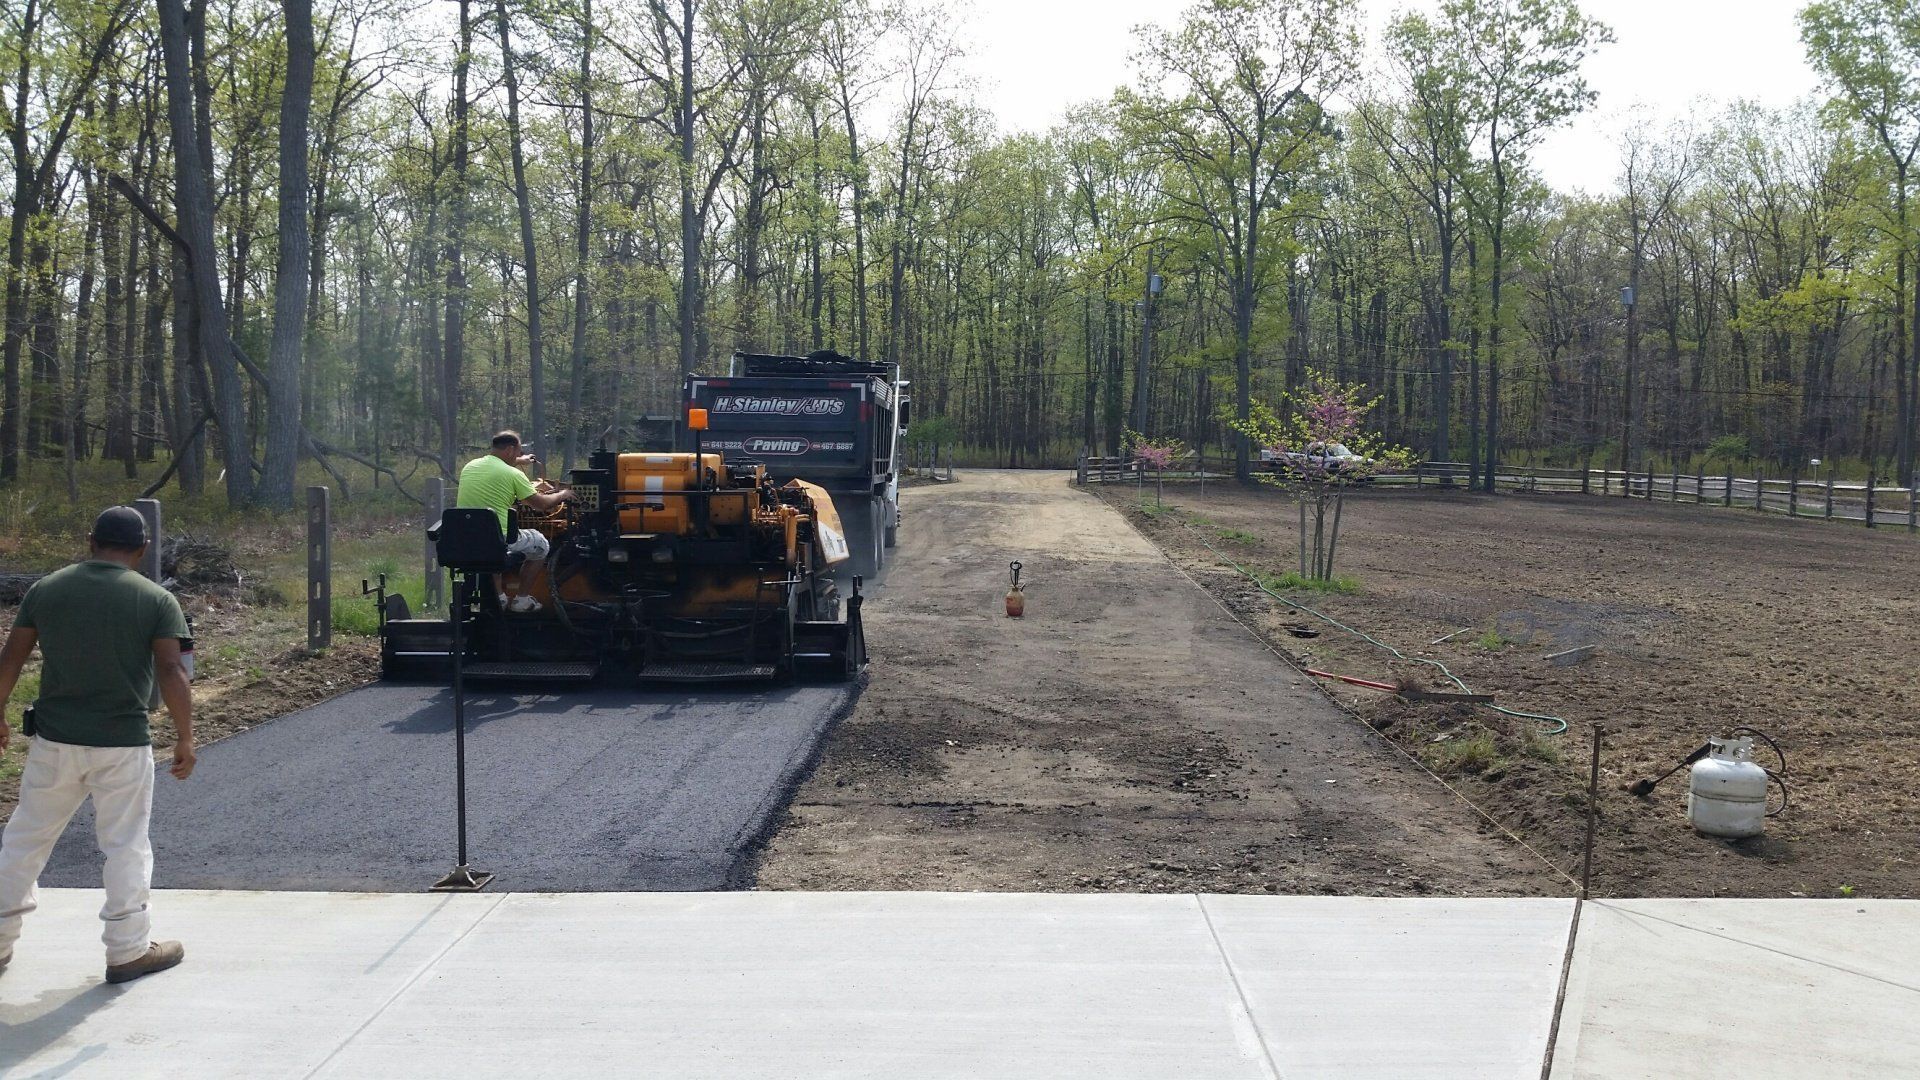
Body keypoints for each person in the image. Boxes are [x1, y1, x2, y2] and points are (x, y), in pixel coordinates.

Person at [0, 506, 195, 985]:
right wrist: (186, 737)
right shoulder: (155, 599)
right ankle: (127, 950)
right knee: (125, 844)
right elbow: (172, 671)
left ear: (91, 541)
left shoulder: (47, 589)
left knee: (24, 840)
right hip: (123, 744)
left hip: (55, 741)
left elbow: (11, 656)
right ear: (143, 549)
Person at [456, 430, 572, 612]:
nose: (518, 456)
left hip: (467, 539)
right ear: (510, 450)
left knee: (487, 545)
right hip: (498, 540)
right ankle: (522, 600)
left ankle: (499, 597)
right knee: (541, 543)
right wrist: (563, 494)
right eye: (518, 453)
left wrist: (521, 460)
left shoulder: (470, 466)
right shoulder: (513, 475)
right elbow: (541, 505)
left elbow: (496, 464)